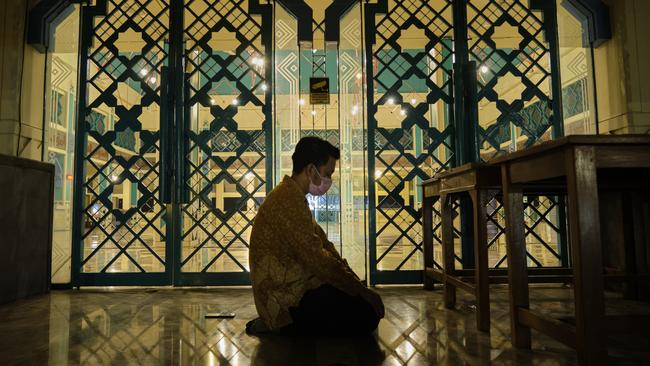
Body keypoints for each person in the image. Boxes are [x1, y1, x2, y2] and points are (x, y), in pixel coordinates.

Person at [246, 136, 384, 336]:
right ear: (311, 170)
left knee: (359, 302)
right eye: (327, 173)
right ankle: (275, 325)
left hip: (296, 288)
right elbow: (318, 260)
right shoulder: (287, 201)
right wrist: (361, 290)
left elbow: (324, 246)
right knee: (367, 314)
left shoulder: (292, 196)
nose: (329, 181)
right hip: (284, 299)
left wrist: (355, 284)